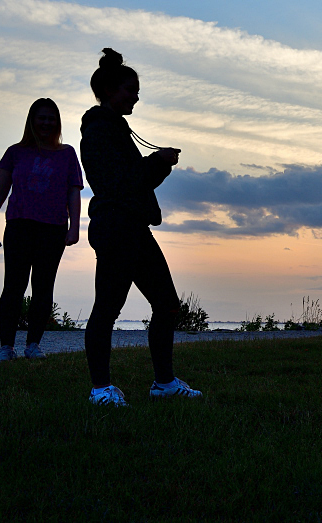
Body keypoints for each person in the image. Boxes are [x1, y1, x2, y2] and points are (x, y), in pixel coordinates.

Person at [80, 48, 201, 406]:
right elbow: (123, 182)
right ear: (112, 90)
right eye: (131, 89)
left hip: (133, 229)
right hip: (117, 229)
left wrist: (158, 164)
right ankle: (101, 389)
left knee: (167, 304)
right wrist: (159, 161)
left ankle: (163, 382)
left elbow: (133, 182)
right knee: (107, 309)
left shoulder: (113, 127)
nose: (136, 96)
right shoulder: (101, 131)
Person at [0, 98, 83, 362]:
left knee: (44, 287)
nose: (46, 122)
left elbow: (73, 193)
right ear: (32, 120)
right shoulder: (15, 152)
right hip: (19, 225)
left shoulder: (67, 154)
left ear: (57, 122)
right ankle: (6, 347)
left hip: (53, 228)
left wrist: (75, 228)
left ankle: (33, 344)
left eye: (51, 118)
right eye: (41, 117)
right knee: (13, 286)